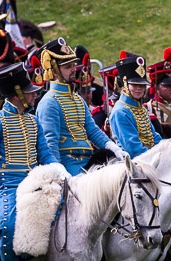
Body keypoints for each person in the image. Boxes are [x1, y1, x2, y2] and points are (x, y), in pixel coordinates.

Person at [0, 62, 60, 261]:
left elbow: (45, 153)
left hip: (36, 183)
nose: (35, 94)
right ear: (17, 95)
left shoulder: (33, 121)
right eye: (29, 91)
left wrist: (60, 172)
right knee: (9, 226)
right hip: (9, 186)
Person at [35, 38, 124, 175]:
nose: (73, 70)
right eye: (67, 67)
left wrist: (113, 148)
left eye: (73, 65)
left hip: (89, 162)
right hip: (68, 166)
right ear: (54, 71)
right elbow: (50, 144)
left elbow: (92, 130)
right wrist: (59, 173)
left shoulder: (77, 99)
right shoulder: (49, 102)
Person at [109, 52, 161, 157]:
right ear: (124, 85)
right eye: (134, 85)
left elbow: (154, 137)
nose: (139, 88)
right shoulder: (120, 112)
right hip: (132, 163)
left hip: (150, 157)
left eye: (142, 85)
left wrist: (165, 150)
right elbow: (133, 148)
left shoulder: (141, 109)